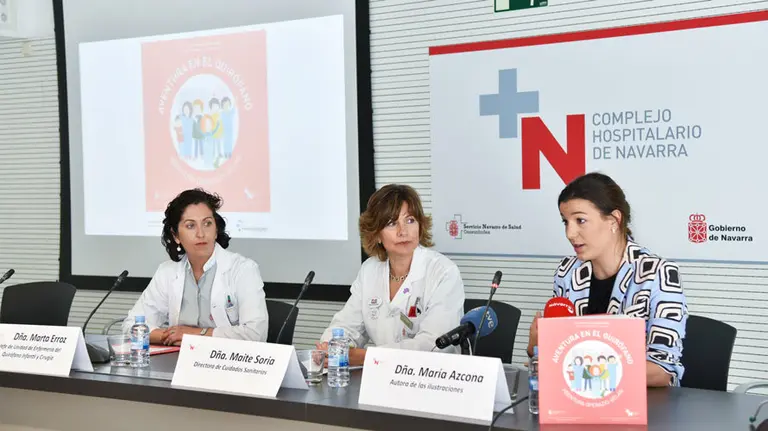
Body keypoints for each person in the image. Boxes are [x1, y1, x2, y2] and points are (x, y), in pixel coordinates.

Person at [527, 172, 688, 387]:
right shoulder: (567, 271)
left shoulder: (657, 273)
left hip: (647, 406)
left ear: (614, 220)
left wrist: (583, 370)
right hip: (577, 398)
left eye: (580, 220)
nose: (570, 233)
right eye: (565, 222)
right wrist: (536, 348)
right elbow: (554, 354)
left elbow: (662, 370)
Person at [316, 184, 465, 365]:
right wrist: (331, 348)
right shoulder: (370, 270)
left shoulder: (443, 272)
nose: (403, 231)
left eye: (410, 220)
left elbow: (432, 346)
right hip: (382, 377)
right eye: (392, 223)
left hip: (432, 378)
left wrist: (362, 357)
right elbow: (345, 326)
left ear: (420, 225)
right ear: (376, 234)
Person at [123, 189, 268, 345]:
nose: (201, 233)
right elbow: (131, 326)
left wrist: (194, 335)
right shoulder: (167, 272)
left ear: (216, 229)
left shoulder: (243, 269)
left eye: (207, 223)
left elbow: (255, 334)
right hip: (179, 363)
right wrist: (171, 336)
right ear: (176, 236)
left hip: (228, 364)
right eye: (190, 225)